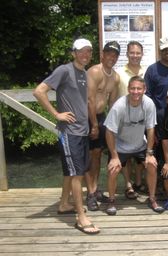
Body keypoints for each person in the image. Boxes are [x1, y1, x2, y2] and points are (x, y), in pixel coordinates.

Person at [33, 38, 100, 234]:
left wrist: (93, 123)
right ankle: (81, 218)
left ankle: (64, 204)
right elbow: (39, 91)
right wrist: (56, 114)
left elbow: (87, 101)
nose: (85, 55)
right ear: (73, 53)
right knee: (77, 175)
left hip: (82, 131)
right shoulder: (64, 70)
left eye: (88, 51)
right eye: (81, 51)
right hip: (69, 132)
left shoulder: (84, 73)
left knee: (70, 172)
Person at [104, 76, 164, 215]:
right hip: (120, 146)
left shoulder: (149, 104)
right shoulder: (119, 106)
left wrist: (149, 153)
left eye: (139, 88)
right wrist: (114, 156)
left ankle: (152, 198)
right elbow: (109, 131)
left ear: (144, 89)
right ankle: (112, 200)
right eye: (132, 88)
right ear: (128, 89)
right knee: (113, 169)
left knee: (152, 165)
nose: (135, 92)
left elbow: (150, 129)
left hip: (139, 145)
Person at [85, 41, 120, 211]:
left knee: (98, 154)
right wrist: (93, 125)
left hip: (101, 117)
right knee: (88, 155)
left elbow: (112, 103)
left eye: (115, 55)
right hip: (86, 117)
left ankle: (96, 189)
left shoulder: (115, 77)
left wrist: (112, 126)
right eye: (109, 54)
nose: (111, 57)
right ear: (103, 55)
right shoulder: (94, 71)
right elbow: (90, 99)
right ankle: (90, 193)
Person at [116, 41, 147, 198]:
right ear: (127, 54)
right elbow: (113, 96)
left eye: (138, 52)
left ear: (142, 54)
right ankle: (128, 185)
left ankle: (139, 182)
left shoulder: (147, 70)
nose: (135, 55)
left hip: (142, 118)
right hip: (124, 120)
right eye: (132, 52)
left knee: (141, 151)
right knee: (125, 155)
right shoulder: (119, 73)